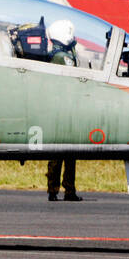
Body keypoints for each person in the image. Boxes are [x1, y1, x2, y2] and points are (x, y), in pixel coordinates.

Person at [45, 19, 82, 201]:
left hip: (57, 109)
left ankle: (54, 189)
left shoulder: (55, 54)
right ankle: (67, 189)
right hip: (65, 110)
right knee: (67, 153)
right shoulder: (63, 58)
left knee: (58, 153)